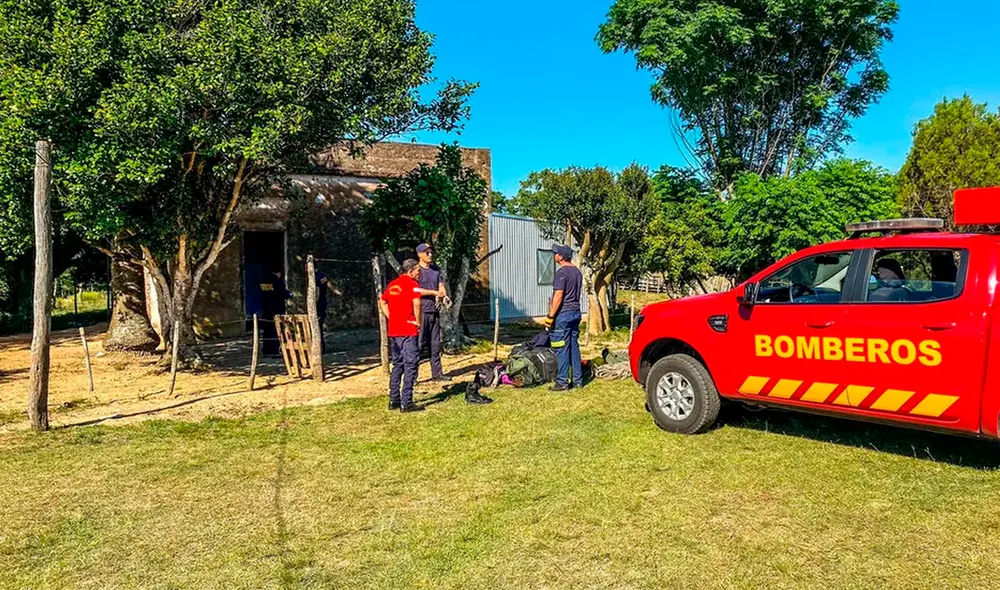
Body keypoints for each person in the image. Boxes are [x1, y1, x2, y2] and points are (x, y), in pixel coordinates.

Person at [379, 259, 425, 413]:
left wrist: (391, 317)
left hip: (394, 330)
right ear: (410, 271)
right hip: (407, 329)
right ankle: (407, 402)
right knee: (411, 364)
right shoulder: (413, 285)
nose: (420, 273)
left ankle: (393, 399)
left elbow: (382, 301)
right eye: (418, 270)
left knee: (397, 365)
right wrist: (418, 322)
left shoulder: (393, 284)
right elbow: (417, 303)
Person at [545, 244, 583, 391]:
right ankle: (578, 380)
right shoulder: (577, 272)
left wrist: (550, 316)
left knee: (561, 347)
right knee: (573, 346)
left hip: (563, 314)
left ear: (561, 257)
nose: (554, 255)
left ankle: (562, 382)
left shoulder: (562, 273)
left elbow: (558, 296)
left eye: (556, 253)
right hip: (576, 312)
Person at [414, 243, 451, 382]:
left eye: (430, 252)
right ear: (419, 254)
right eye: (426, 252)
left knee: (435, 343)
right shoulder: (416, 271)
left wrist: (444, 296)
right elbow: (416, 290)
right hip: (421, 312)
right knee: (418, 344)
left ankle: (437, 373)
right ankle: (413, 376)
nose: (430, 255)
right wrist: (435, 292)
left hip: (434, 311)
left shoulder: (435, 270)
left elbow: (441, 286)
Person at [260, 269, 291, 356]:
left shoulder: (264, 282)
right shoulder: (278, 282)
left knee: (267, 331)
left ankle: (266, 350)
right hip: (277, 311)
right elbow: (284, 294)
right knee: (276, 331)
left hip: (266, 310)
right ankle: (275, 351)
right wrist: (290, 294)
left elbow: (264, 293)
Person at [315, 271, 330, 353]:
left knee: (317, 324)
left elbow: (317, 291)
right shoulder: (322, 275)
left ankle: (320, 347)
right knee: (319, 325)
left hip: (319, 303)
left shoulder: (316, 277)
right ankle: (321, 346)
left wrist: (314, 302)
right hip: (322, 301)